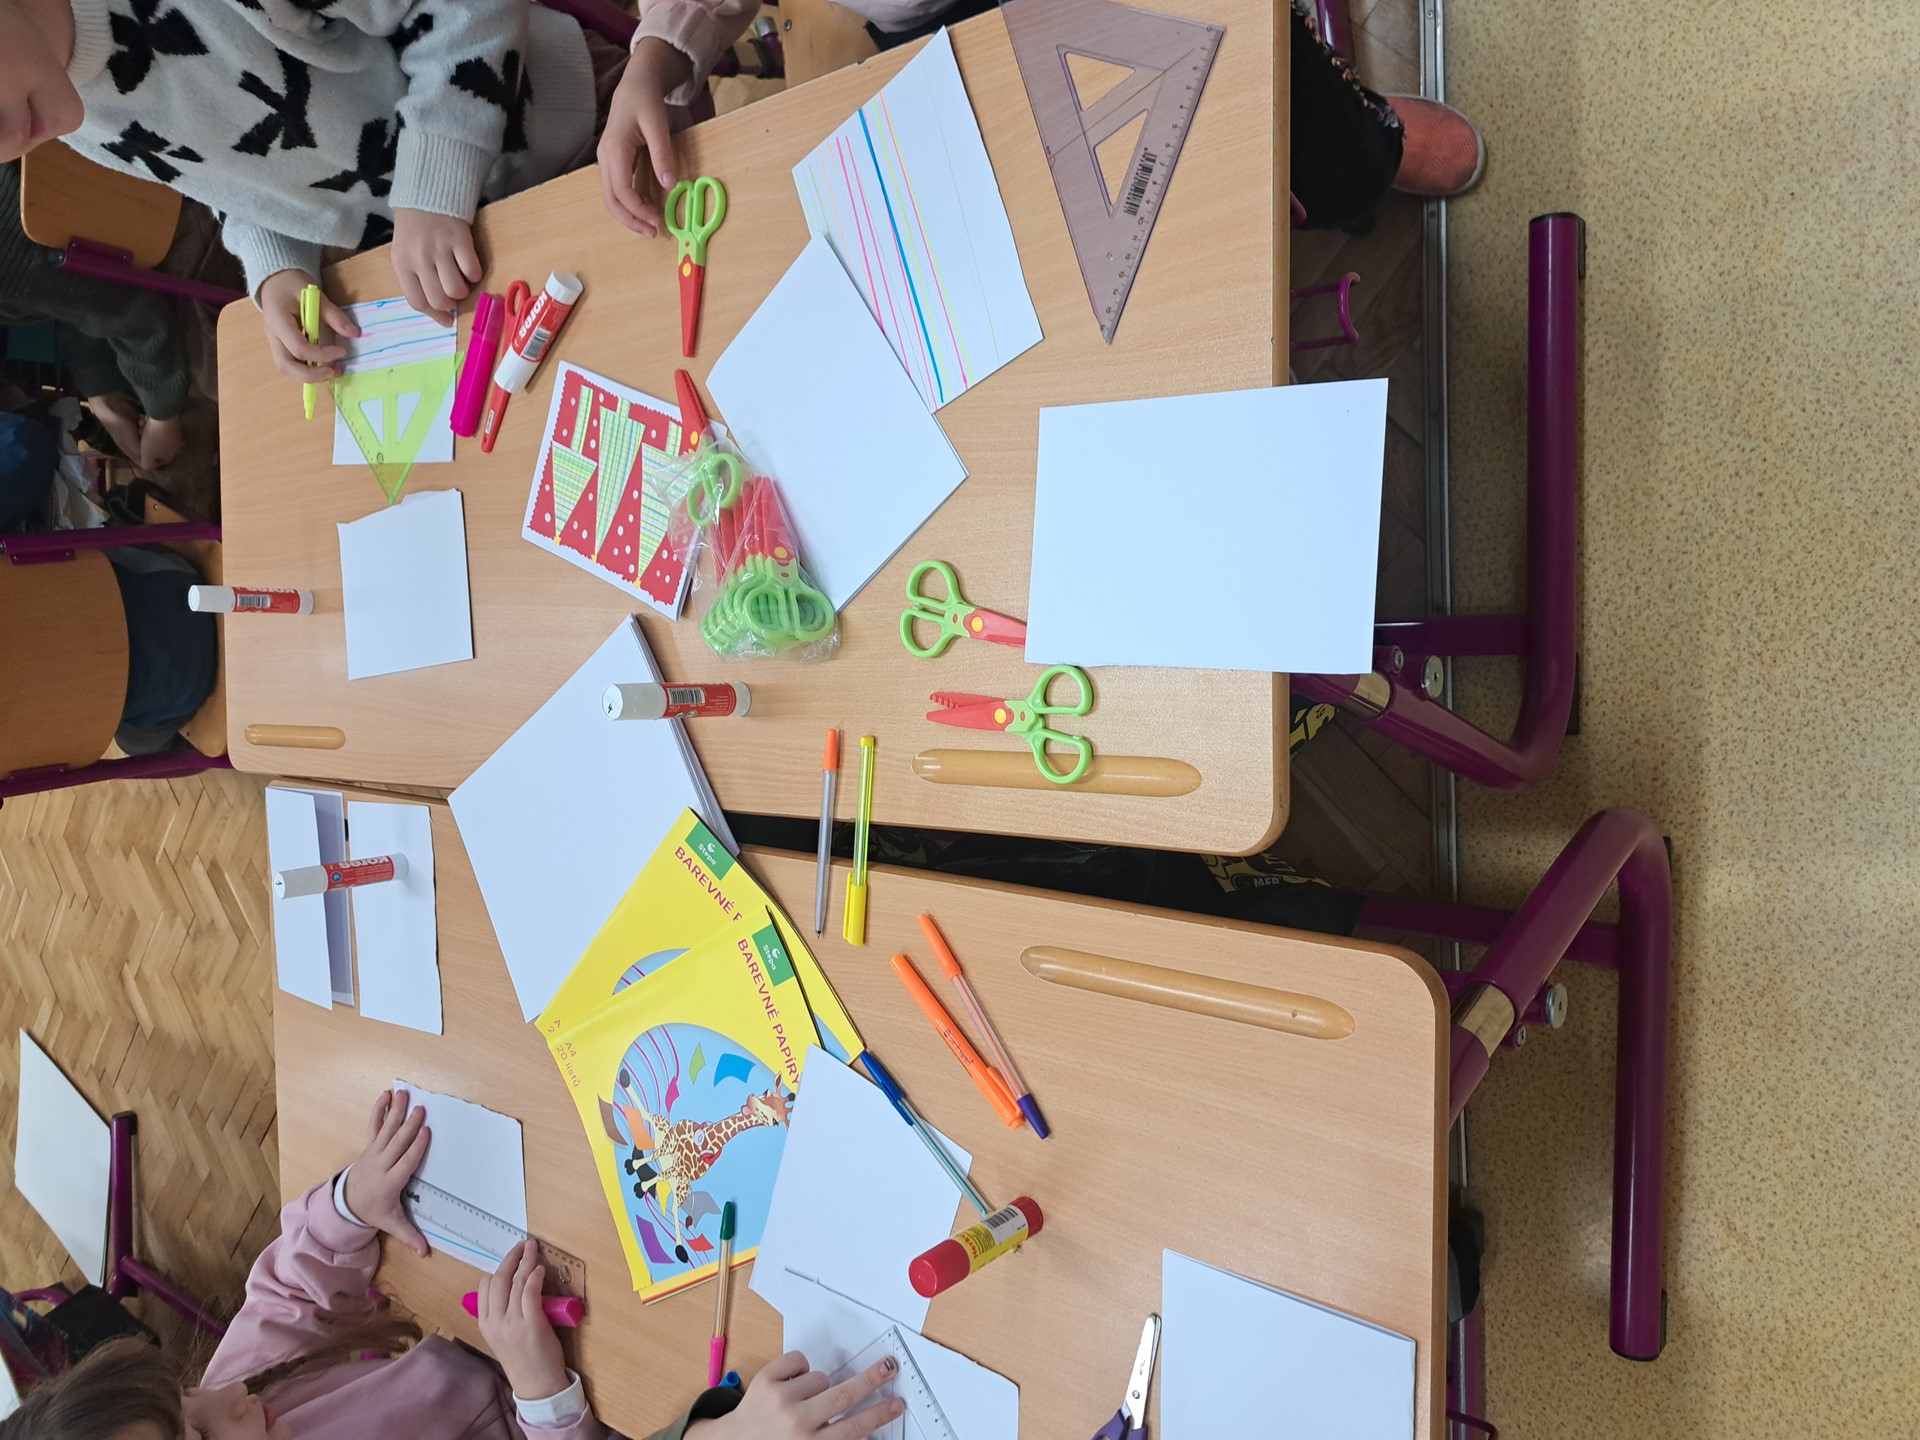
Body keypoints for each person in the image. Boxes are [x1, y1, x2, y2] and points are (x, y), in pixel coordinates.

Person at [0, 1089, 906, 1440]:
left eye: (183, 1391)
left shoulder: (235, 1398)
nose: (228, 1396)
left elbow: (291, 1286)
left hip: (534, 1356)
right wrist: (543, 1397)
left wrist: (349, 1205)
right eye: (201, 1437)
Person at [0, 0, 599, 384]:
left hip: (571, 137)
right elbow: (232, 176)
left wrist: (432, 184)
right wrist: (276, 266)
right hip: (463, 255)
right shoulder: (60, 107)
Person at [597, 0, 1484, 238]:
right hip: (948, 21)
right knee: (1062, 223)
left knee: (1331, 159)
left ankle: (1367, 141)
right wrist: (656, 55)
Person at [1, 160, 188, 472]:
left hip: (176, 208)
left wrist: (164, 414)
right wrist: (101, 387)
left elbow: (132, 305)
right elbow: (66, 297)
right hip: (134, 219)